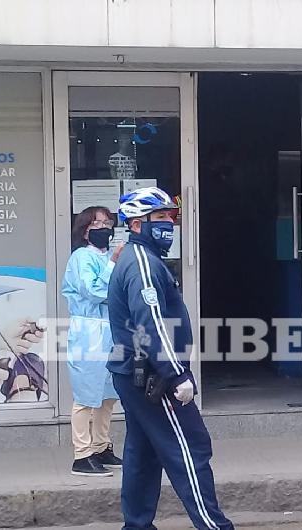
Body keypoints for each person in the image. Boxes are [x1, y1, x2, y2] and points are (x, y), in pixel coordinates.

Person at [106, 187, 234, 530]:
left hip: (137, 371)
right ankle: (214, 526)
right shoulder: (143, 264)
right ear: (136, 225)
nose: (168, 224)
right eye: (159, 218)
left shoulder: (139, 258)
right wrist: (176, 374)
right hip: (153, 375)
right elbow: (152, 324)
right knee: (190, 447)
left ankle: (136, 525)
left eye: (170, 217)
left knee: (143, 453)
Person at [61, 206, 124, 477]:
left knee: (108, 394)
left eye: (108, 222)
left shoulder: (109, 256)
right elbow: (95, 290)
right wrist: (113, 265)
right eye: (98, 223)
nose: (105, 228)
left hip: (111, 329)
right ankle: (82, 454)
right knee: (86, 393)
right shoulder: (81, 258)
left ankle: (101, 446)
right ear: (85, 229)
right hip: (88, 331)